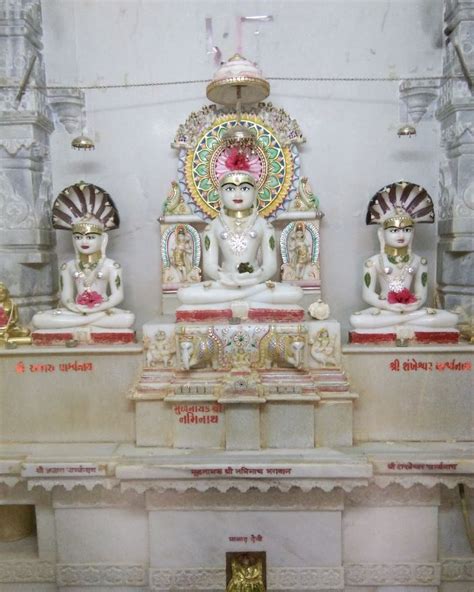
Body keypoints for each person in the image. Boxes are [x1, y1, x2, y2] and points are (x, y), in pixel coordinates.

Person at [177, 170, 302, 309]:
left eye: (245, 188)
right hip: (225, 285)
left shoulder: (264, 226)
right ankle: (247, 302)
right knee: (185, 294)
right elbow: (209, 266)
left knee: (294, 293)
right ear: (220, 193)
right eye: (230, 189)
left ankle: (235, 301)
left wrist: (255, 277)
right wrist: (226, 278)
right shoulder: (212, 227)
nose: (237, 195)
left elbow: (270, 266)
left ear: (255, 193)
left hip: (255, 285)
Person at [350, 182, 458, 331]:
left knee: (452, 318)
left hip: (411, 311)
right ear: (382, 234)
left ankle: (402, 320)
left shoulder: (420, 261)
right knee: (357, 320)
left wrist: (413, 304)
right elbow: (368, 294)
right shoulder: (372, 262)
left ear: (413, 233)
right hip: (385, 311)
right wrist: (387, 305)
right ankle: (404, 320)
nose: (401, 235)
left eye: (407, 230)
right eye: (394, 231)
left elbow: (421, 293)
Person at [32, 183, 134, 332]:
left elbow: (117, 296)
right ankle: (87, 323)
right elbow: (66, 297)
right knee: (38, 319)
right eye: (79, 237)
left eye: (91, 237)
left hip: (102, 310)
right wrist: (75, 307)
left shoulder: (112, 266)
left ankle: (83, 322)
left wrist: (94, 309)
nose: (84, 242)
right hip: (76, 311)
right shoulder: (68, 267)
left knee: (127, 319)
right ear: (73, 239)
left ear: (103, 239)